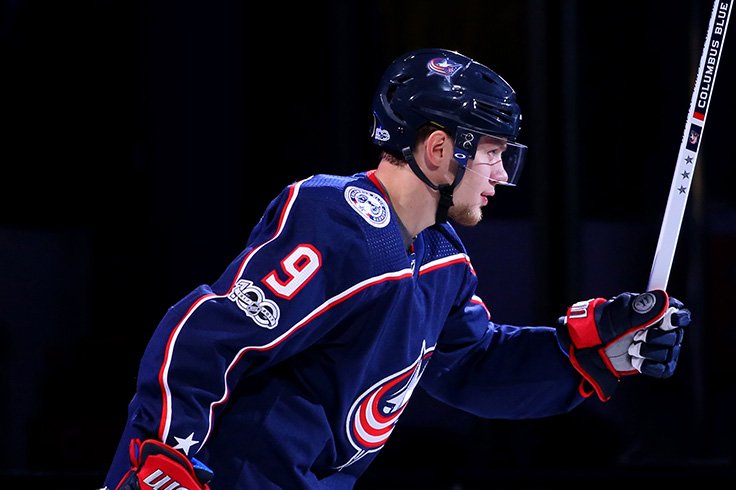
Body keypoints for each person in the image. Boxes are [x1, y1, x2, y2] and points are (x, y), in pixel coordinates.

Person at [102, 47, 691, 490]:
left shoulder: (444, 262)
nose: (502, 176)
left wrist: (589, 354)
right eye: (492, 153)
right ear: (438, 150)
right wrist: (163, 450)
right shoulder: (336, 221)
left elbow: (475, 367)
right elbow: (208, 333)